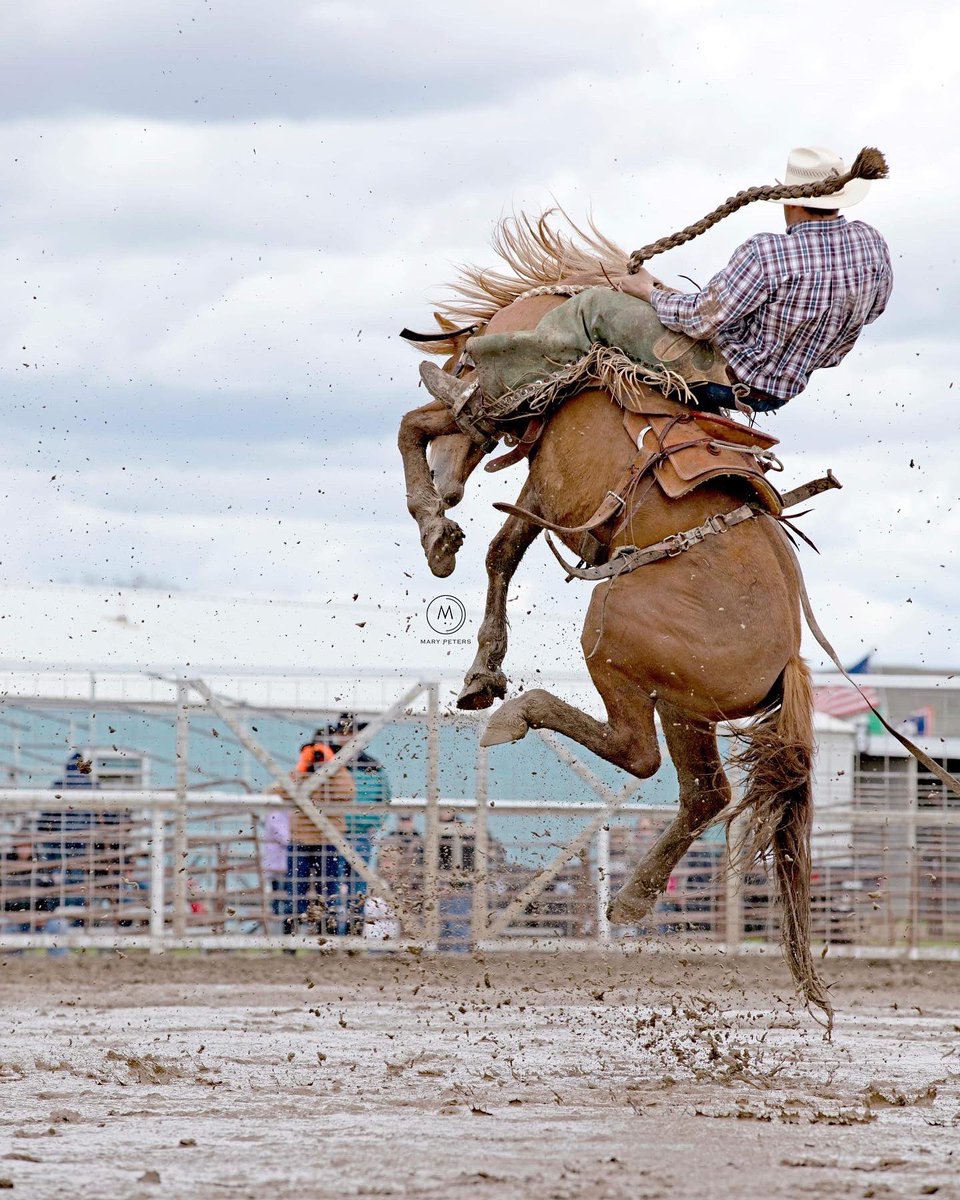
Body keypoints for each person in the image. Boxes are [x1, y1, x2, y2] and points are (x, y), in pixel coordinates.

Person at [419, 146, 892, 419]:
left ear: (792, 201)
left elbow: (701, 319)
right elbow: (866, 316)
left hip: (718, 375)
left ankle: (495, 391)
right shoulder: (873, 249)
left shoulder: (769, 252)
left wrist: (649, 290)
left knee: (597, 309)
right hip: (777, 395)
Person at [274, 740, 356, 938]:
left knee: (329, 889)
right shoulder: (300, 775)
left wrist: (332, 764)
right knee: (296, 887)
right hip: (301, 839)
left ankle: (328, 929)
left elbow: (349, 792)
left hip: (328, 839)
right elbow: (281, 792)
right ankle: (291, 931)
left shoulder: (337, 776)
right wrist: (302, 766)